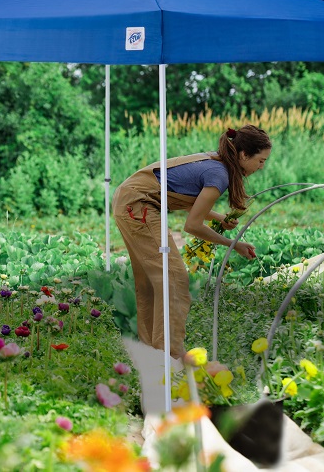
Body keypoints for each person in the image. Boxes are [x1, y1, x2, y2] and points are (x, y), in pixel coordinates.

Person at [112, 124, 272, 360]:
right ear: (243, 155)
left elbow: (184, 199)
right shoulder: (220, 174)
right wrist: (233, 244)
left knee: (151, 281)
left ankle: (152, 353)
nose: (262, 167)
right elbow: (192, 225)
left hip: (130, 200)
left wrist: (217, 217)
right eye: (260, 160)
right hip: (138, 205)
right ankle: (170, 357)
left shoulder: (215, 162)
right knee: (174, 278)